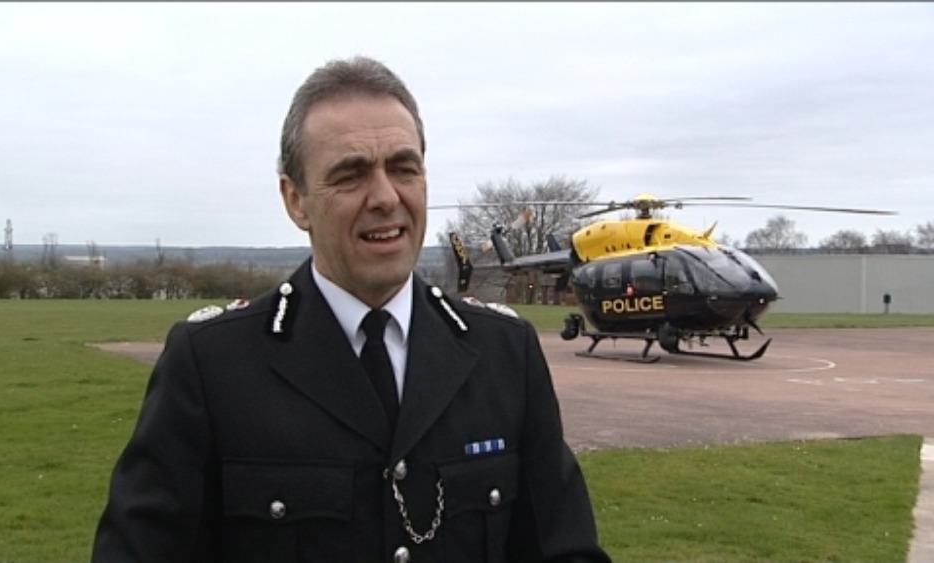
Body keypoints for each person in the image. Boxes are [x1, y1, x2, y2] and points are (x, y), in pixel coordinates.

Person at [92, 55, 612, 563]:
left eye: (404, 168)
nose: (385, 197)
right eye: (351, 174)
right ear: (296, 200)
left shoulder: (504, 353)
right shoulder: (213, 363)